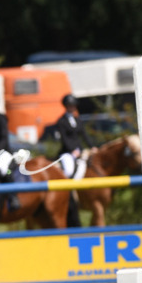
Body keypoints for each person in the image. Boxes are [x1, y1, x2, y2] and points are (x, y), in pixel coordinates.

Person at [56, 94, 96, 228]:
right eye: (69, 106)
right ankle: (70, 193)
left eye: (73, 106)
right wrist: (73, 150)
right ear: (66, 107)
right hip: (68, 152)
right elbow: (65, 139)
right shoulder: (61, 121)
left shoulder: (78, 120)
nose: (72, 108)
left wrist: (92, 147)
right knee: (68, 169)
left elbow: (84, 135)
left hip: (80, 150)